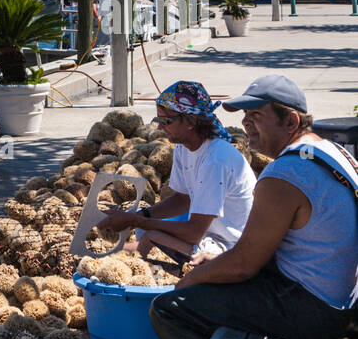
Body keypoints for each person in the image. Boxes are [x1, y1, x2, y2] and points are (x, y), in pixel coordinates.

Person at [149, 75, 358, 339]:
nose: (246, 123)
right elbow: (267, 249)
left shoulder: (285, 175)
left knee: (172, 309)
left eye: (256, 115)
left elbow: (245, 265)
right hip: (337, 302)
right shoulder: (331, 152)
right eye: (244, 114)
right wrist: (218, 263)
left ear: (290, 121)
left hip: (314, 312)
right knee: (215, 282)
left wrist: (195, 276)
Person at [98, 81, 255, 263]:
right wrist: (139, 215)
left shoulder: (215, 160)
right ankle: (119, 255)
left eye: (166, 121)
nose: (160, 128)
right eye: (159, 120)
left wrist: (135, 221)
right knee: (146, 230)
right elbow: (183, 199)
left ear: (191, 121)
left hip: (231, 246)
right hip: (208, 235)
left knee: (150, 237)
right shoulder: (184, 147)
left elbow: (194, 233)